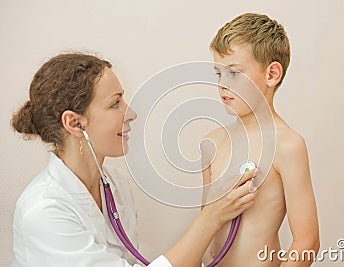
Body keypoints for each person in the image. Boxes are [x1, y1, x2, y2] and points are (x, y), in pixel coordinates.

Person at [10, 53, 258, 267]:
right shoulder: (43, 212)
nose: (131, 113)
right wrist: (212, 217)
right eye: (115, 104)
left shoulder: (115, 184)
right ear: (75, 123)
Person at [202, 13, 320, 266]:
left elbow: (307, 242)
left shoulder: (287, 146)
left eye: (234, 73)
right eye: (218, 74)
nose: (222, 84)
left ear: (272, 74)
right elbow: (205, 226)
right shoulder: (212, 144)